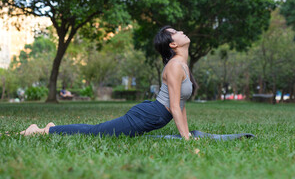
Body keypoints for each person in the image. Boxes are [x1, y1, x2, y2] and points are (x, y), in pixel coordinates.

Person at [20, 26, 197, 140]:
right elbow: (174, 107)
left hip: (153, 114)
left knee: (97, 131)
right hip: (147, 116)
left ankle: (52, 128)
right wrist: (186, 141)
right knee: (95, 132)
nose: (182, 31)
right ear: (173, 44)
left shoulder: (182, 65)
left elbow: (181, 105)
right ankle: (40, 131)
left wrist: (186, 134)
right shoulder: (174, 66)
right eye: (176, 32)